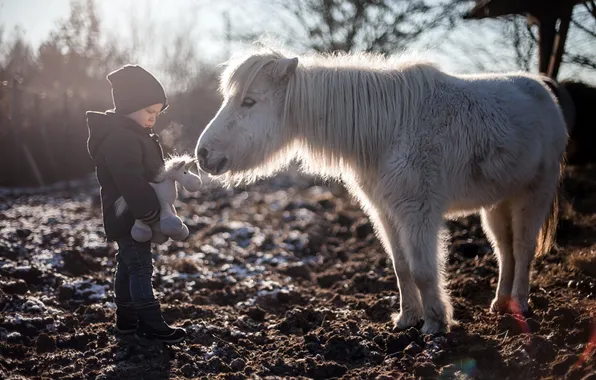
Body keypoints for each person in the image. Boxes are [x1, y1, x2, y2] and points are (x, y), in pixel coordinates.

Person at [86, 64, 186, 344]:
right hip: (129, 214)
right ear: (129, 106)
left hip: (132, 215)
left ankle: (127, 320)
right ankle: (150, 323)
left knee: (128, 265)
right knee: (141, 266)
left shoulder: (136, 135)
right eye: (148, 112)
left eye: (157, 113)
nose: (153, 119)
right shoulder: (121, 139)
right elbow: (130, 180)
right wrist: (150, 212)